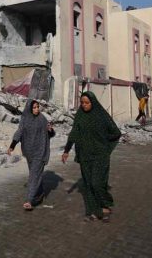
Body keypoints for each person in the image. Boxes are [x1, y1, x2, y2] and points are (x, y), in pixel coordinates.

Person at [61, 91, 122, 222]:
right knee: (88, 184)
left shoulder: (101, 115)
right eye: (82, 103)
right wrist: (66, 150)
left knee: (96, 183)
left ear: (93, 102)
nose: (84, 105)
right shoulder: (80, 115)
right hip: (85, 155)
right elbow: (74, 134)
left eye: (87, 103)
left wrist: (104, 141)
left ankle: (106, 205)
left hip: (100, 155)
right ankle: (93, 211)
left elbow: (116, 133)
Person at [7, 99, 55, 211]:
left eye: (38, 107)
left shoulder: (42, 119)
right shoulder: (25, 119)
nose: (37, 109)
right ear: (29, 108)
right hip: (29, 152)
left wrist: (50, 130)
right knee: (36, 175)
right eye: (34, 107)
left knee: (33, 176)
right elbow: (19, 132)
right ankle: (40, 193)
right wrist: (12, 145)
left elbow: (51, 134)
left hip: (40, 151)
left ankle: (29, 200)